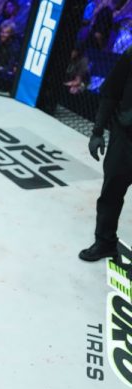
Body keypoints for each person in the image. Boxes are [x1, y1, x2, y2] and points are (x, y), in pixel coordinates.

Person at [80, 47, 132, 261]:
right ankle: (104, 242)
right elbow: (111, 92)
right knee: (112, 190)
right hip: (126, 136)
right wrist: (97, 131)